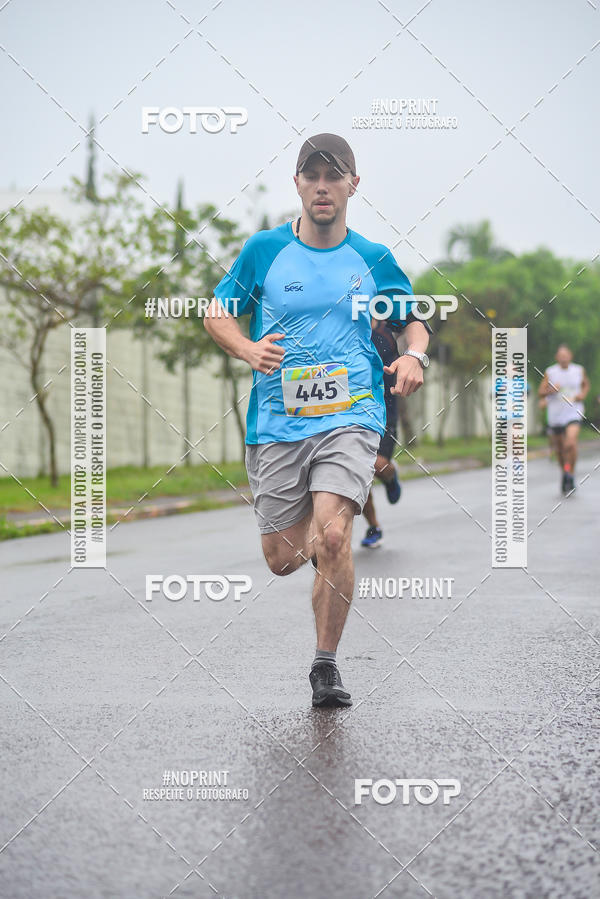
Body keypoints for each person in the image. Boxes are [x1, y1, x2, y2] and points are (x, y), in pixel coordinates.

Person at [204, 133, 431, 707]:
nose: (323, 186)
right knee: (282, 559)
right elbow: (217, 314)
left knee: (334, 535)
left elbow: (413, 322)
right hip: (278, 423)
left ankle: (325, 665)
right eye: (313, 176)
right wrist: (248, 350)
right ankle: (313, 548)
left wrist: (412, 354)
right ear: (298, 184)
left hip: (352, 412)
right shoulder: (264, 250)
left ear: (354, 184)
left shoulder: (374, 258)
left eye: (335, 176)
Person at [360, 317, 403, 549]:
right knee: (361, 468)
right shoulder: (347, 328)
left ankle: (390, 475)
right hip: (354, 410)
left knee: (378, 464)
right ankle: (374, 526)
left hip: (385, 407)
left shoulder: (388, 332)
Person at [538, 344, 589, 494]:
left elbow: (585, 385)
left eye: (566, 355)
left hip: (574, 412)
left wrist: (582, 395)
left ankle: (571, 471)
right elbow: (541, 392)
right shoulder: (551, 372)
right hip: (556, 414)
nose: (563, 358)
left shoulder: (578, 370)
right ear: (557, 358)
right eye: (561, 356)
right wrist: (551, 390)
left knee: (570, 443)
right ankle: (565, 472)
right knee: (560, 450)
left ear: (570, 356)